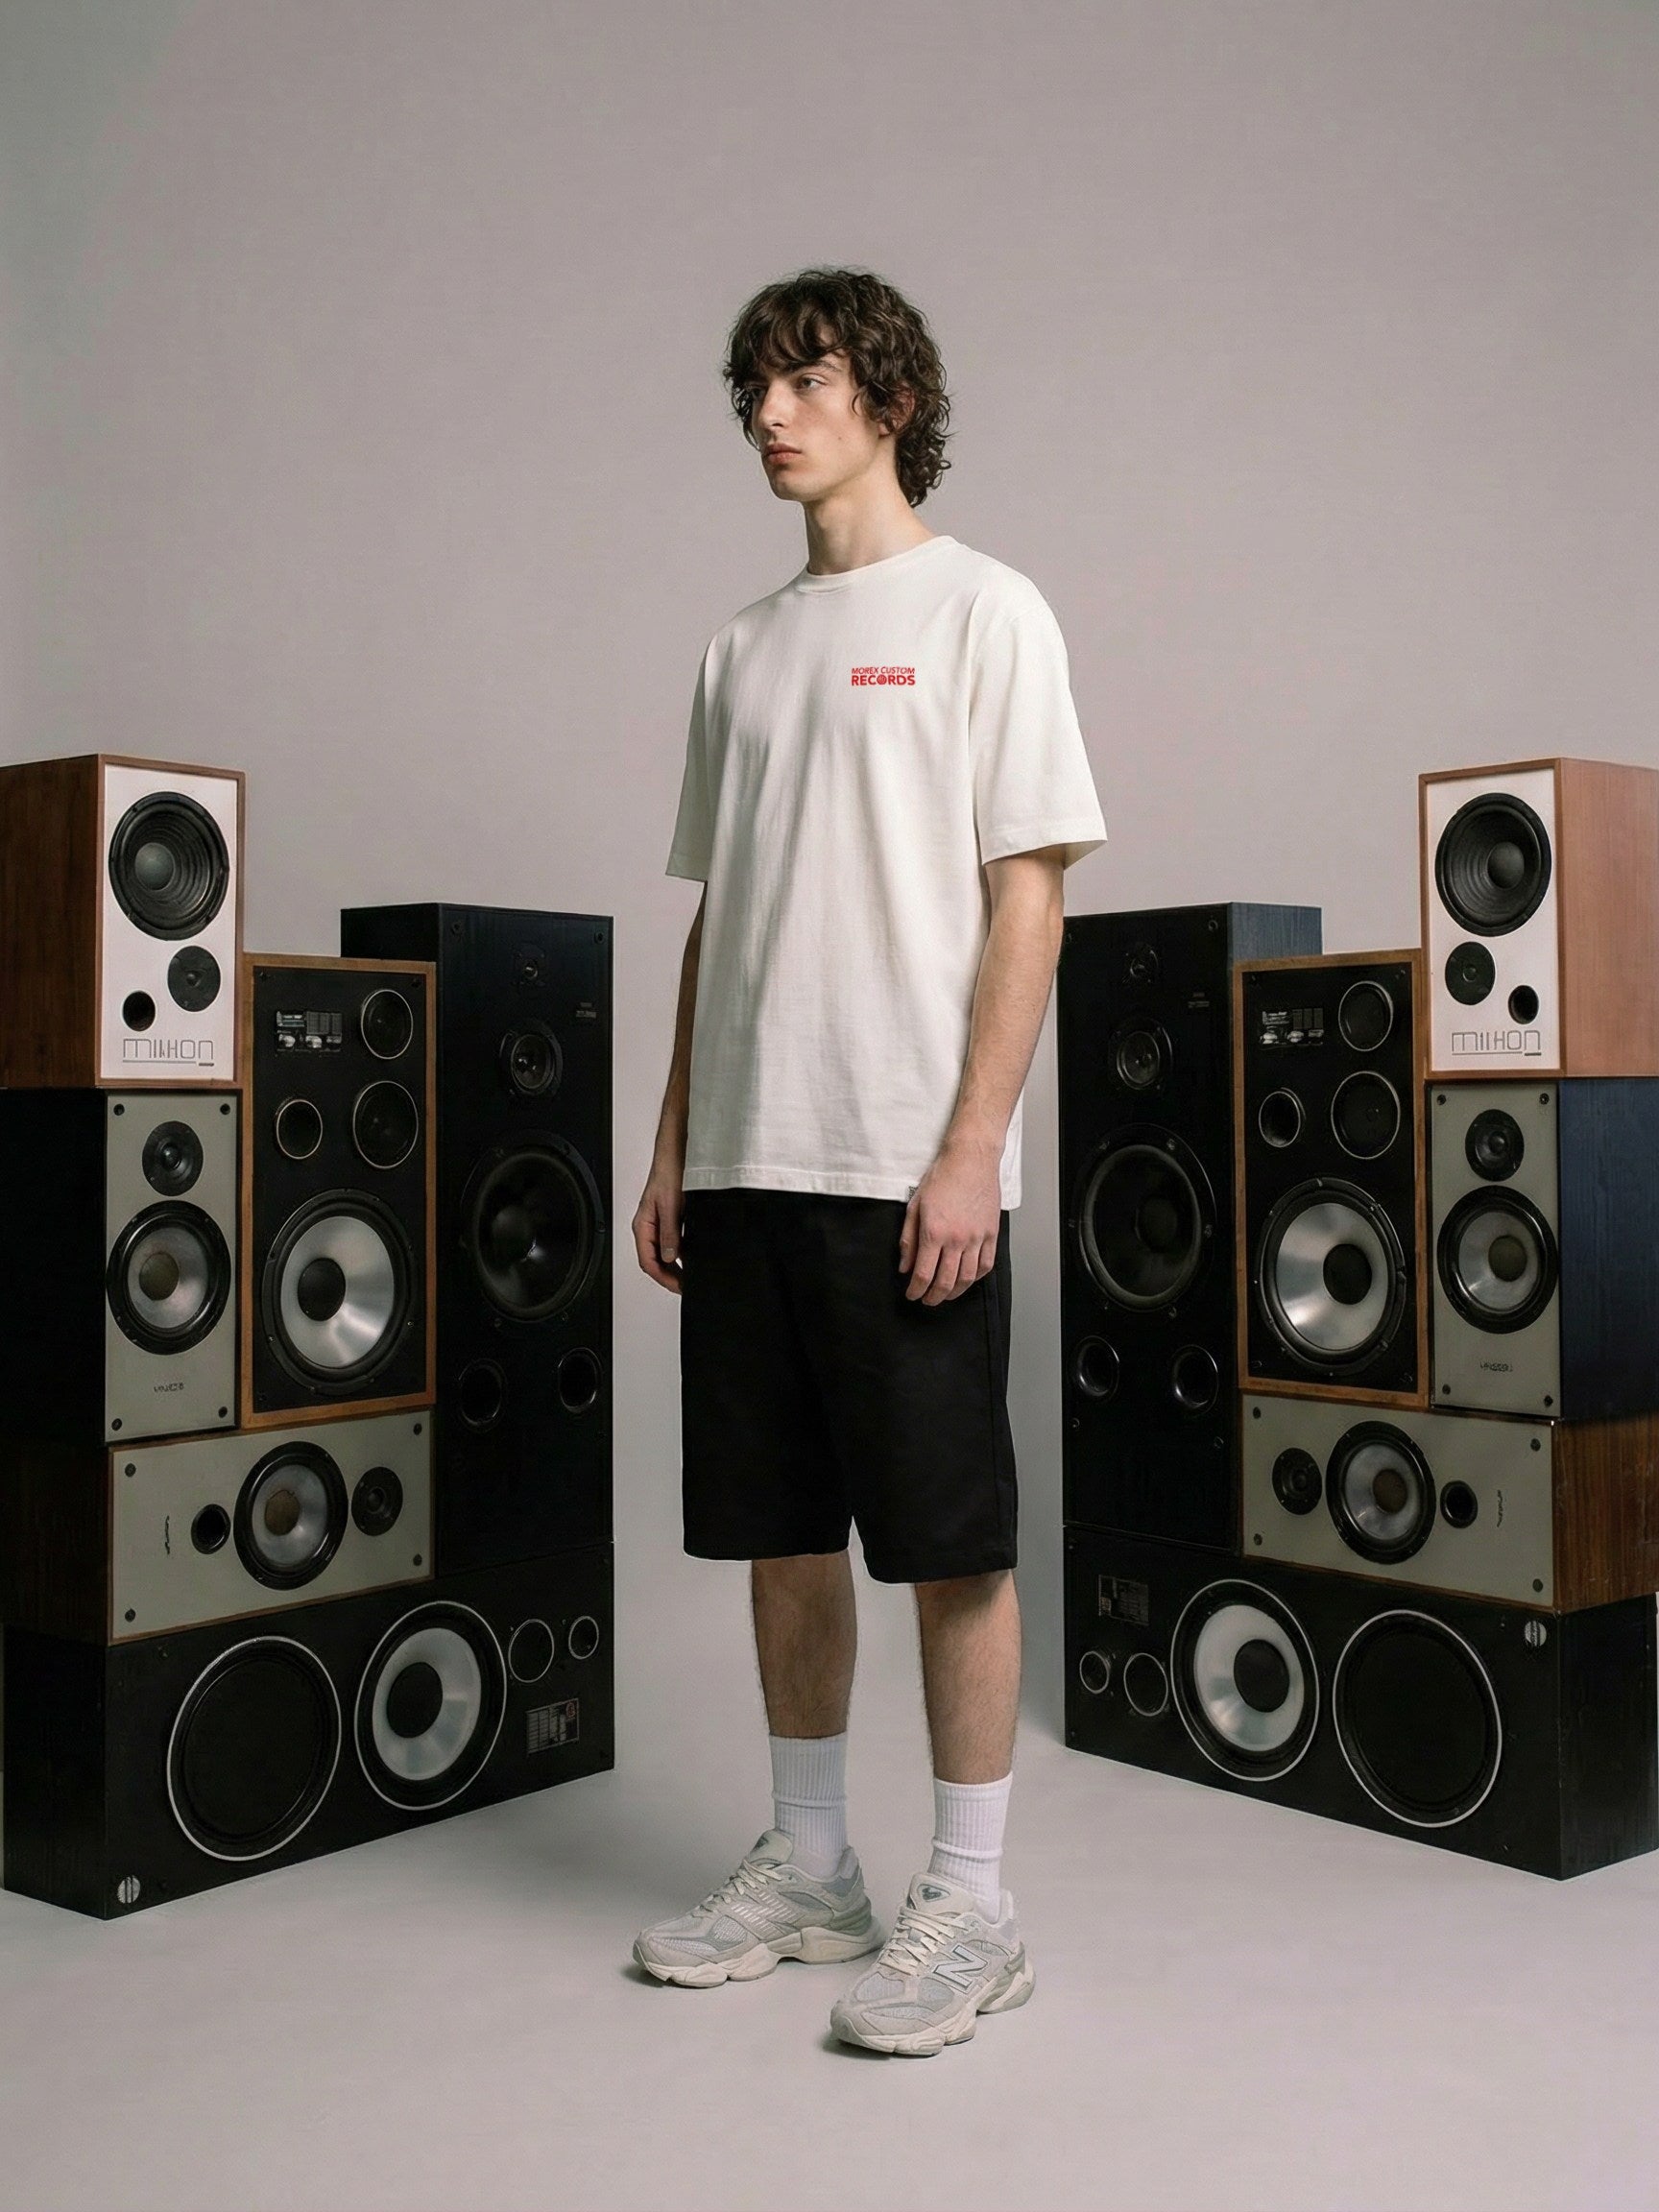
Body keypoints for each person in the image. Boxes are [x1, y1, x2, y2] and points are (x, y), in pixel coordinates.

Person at [630, 268, 1105, 2057]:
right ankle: (813, 1869)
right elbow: (716, 914)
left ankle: (970, 1903)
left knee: (948, 1542)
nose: (770, 412)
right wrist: (677, 1136)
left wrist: (974, 1150)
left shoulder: (989, 611)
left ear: (887, 397)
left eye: (806, 378)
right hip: (749, 1161)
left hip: (908, 1162)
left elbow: (1029, 897)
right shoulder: (737, 649)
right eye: (755, 383)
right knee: (778, 1530)